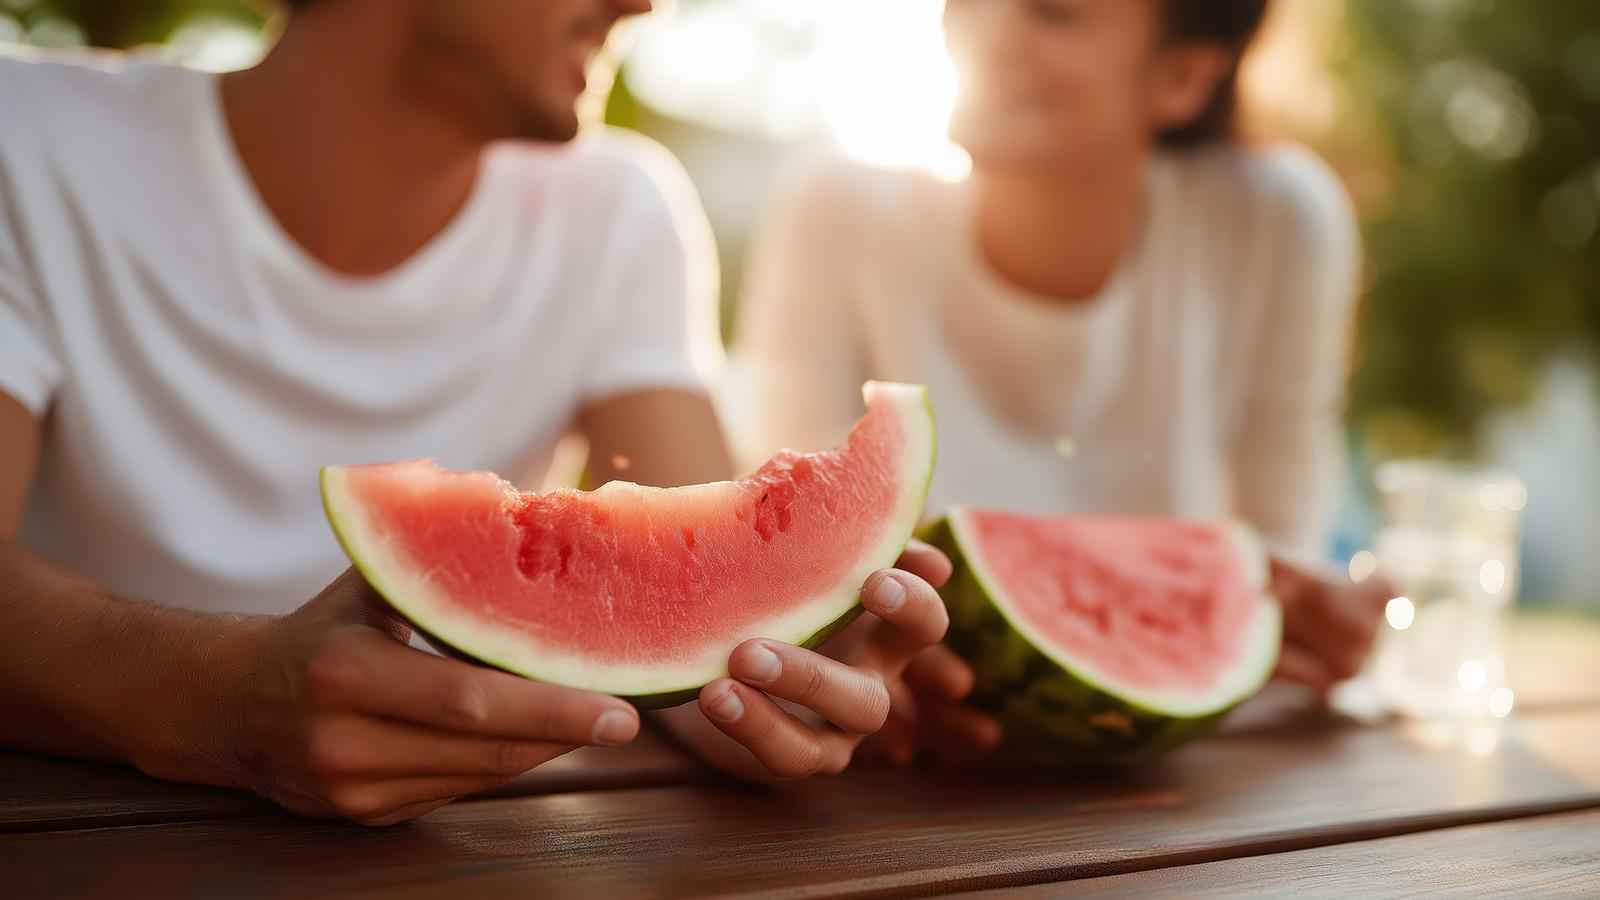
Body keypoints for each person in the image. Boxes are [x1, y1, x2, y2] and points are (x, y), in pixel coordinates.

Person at [0, 0, 960, 825]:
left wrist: (775, 683)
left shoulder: (615, 209)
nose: (642, 5)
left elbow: (687, 604)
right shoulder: (27, 135)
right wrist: (218, 700)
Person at [737, 0, 1391, 759]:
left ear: (1181, 76)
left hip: (1183, 791)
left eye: (1053, 13)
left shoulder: (1278, 220)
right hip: (895, 772)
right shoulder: (832, 210)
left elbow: (1278, 563)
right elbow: (799, 555)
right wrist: (864, 648)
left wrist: (1317, 622)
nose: (984, 33)